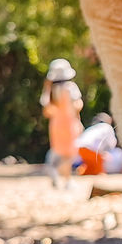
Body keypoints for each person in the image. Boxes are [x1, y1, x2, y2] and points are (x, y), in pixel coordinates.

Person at [41, 58, 83, 188]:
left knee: (59, 151)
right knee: (70, 153)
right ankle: (66, 179)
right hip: (69, 124)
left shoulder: (51, 91)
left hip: (55, 125)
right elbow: (78, 105)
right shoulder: (70, 88)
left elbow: (46, 111)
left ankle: (59, 173)